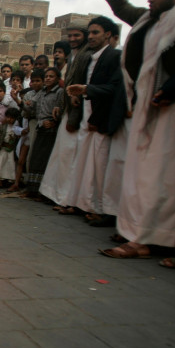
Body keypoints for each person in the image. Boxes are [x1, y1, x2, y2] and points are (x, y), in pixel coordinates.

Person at [98, 0, 175, 258]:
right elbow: (124, 10)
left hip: (172, 105)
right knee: (139, 172)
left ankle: (146, 239)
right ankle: (134, 230)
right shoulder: (150, 19)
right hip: (145, 103)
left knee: (162, 174)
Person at [64, 16, 125, 224]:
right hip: (87, 116)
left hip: (101, 119)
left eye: (95, 32)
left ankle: (101, 209)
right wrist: (79, 95)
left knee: (100, 166)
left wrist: (87, 91)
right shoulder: (92, 58)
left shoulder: (114, 56)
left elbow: (114, 89)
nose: (90, 37)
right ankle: (84, 205)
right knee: (85, 164)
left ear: (108, 34)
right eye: (89, 32)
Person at [39, 22, 92, 208]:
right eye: (70, 36)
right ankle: (58, 196)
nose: (72, 39)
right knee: (62, 157)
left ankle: (69, 199)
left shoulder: (86, 56)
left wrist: (73, 115)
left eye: (77, 35)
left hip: (78, 114)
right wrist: (61, 107)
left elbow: (78, 89)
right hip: (67, 111)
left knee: (71, 158)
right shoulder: (73, 57)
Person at [24, 68, 64, 197]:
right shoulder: (41, 93)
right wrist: (21, 101)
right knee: (36, 159)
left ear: (58, 78)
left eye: (51, 76)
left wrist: (53, 121)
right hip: (40, 127)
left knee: (46, 160)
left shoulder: (59, 92)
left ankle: (44, 192)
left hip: (51, 129)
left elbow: (62, 110)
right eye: (46, 76)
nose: (47, 79)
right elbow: (31, 107)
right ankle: (33, 189)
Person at [10, 69, 41, 191]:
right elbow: (22, 114)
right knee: (21, 160)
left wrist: (18, 101)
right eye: (22, 98)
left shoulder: (39, 96)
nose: (24, 100)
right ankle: (17, 183)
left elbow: (30, 110)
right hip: (25, 135)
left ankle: (31, 186)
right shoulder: (21, 112)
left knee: (32, 158)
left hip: (35, 129)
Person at [0, 107, 23, 188]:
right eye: (8, 117)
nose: (9, 119)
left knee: (11, 165)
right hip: (3, 148)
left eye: (11, 118)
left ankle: (12, 182)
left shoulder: (18, 127)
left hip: (12, 149)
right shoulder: (4, 126)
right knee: (0, 164)